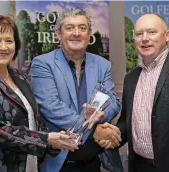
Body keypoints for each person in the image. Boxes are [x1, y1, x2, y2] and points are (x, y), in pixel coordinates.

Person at [0, 15, 78, 172]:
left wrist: (56, 139)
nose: (3, 47)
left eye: (9, 41)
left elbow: (34, 120)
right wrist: (46, 139)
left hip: (28, 166)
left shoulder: (20, 76)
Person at [96, 13, 169, 172]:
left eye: (151, 32)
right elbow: (127, 121)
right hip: (139, 166)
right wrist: (114, 133)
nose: (145, 38)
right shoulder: (130, 78)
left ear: (167, 36)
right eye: (139, 34)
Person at [31, 7, 122, 172]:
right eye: (69, 28)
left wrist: (101, 115)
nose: (76, 33)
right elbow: (51, 106)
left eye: (82, 28)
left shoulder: (103, 65)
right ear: (58, 33)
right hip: (59, 162)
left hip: (93, 160)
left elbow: (114, 102)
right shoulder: (42, 63)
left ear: (89, 34)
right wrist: (93, 130)